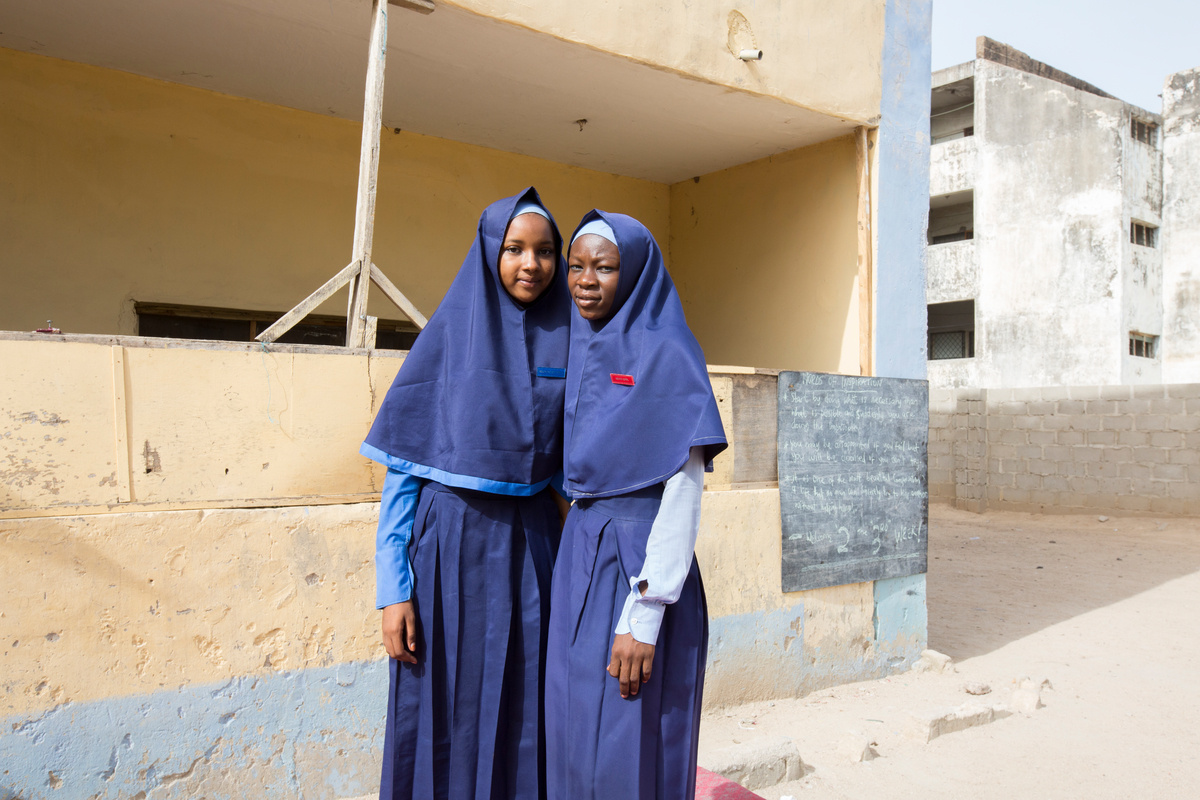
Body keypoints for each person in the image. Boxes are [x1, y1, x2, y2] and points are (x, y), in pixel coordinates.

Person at [361, 187, 571, 800]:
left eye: (545, 251)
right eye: (514, 249)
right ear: (488, 253)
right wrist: (393, 591)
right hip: (449, 552)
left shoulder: (572, 340)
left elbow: (573, 463)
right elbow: (404, 472)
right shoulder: (448, 339)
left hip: (534, 550)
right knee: (445, 705)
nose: (531, 264)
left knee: (527, 707)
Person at [546, 210, 727, 800]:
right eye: (576, 266)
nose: (585, 280)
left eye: (604, 267)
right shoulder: (578, 342)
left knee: (629, 734)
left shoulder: (669, 350)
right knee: (574, 725)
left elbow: (684, 489)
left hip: (639, 567)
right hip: (581, 555)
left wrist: (645, 612)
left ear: (636, 272)